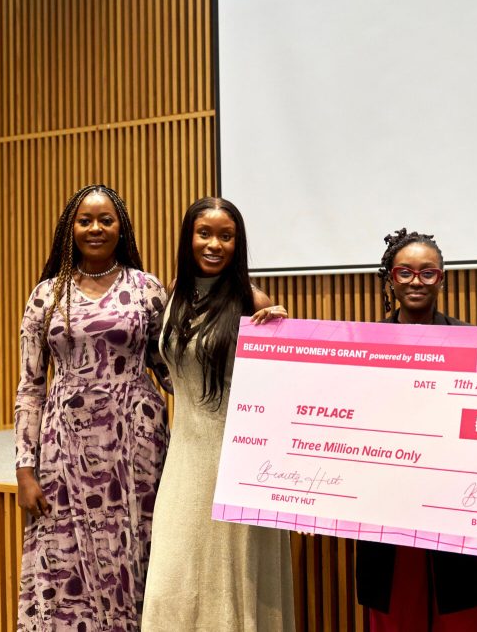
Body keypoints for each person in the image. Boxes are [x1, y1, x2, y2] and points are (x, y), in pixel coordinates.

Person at [15, 184, 172, 630]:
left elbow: (173, 370)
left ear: (121, 228)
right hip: (62, 451)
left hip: (137, 448)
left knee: (135, 552)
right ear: (70, 228)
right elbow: (30, 387)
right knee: (64, 562)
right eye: (86, 220)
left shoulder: (147, 289)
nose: (96, 228)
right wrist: (25, 469)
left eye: (106, 220)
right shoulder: (45, 295)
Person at [141, 197, 295, 631]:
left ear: (237, 244)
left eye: (225, 236)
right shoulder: (173, 293)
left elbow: (281, 388)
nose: (214, 244)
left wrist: (283, 335)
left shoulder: (254, 300)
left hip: (239, 460)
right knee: (174, 577)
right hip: (185, 458)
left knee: (234, 579)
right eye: (203, 233)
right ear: (188, 238)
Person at [355, 229, 477, 632]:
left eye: (428, 273)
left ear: (442, 278)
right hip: (386, 505)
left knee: (460, 615)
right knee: (394, 618)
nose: (417, 281)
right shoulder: (363, 345)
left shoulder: (476, 343)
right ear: (391, 279)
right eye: (406, 272)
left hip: (456, 504)